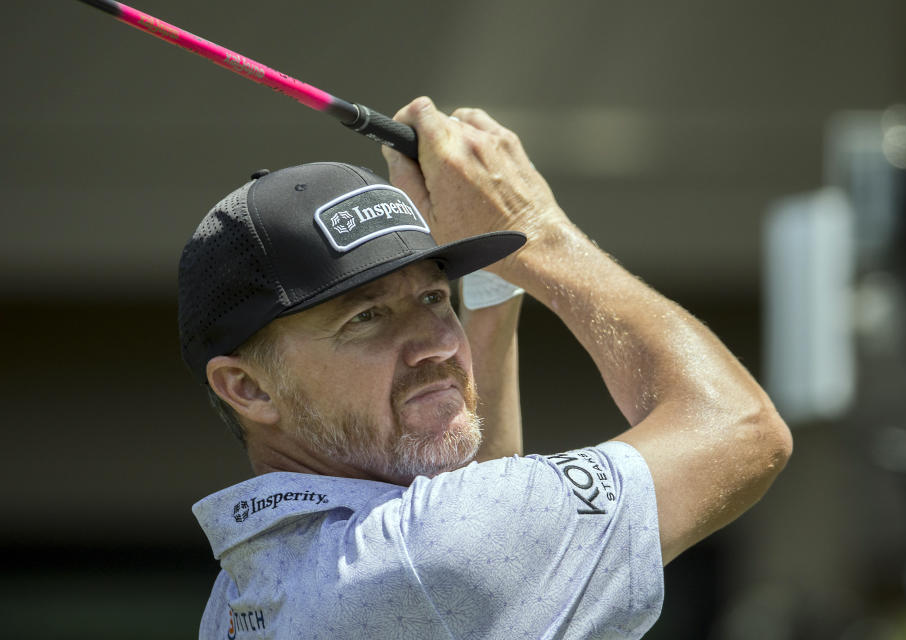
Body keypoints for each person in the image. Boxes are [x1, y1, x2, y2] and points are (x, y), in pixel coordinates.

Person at [182, 97, 793, 639]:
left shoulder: (245, 593)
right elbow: (740, 428)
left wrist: (495, 292)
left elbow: (476, 522)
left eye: (433, 297)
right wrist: (538, 230)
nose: (437, 345)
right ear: (247, 387)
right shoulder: (423, 557)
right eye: (365, 318)